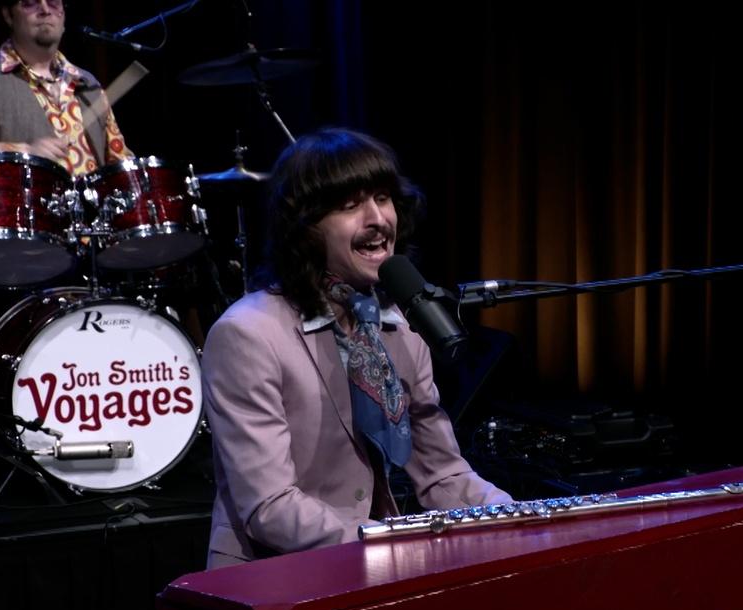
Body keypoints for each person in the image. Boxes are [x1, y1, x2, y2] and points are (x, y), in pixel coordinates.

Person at [202, 127, 512, 568]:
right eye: (350, 206)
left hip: (373, 567)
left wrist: (517, 518)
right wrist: (394, 549)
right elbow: (269, 507)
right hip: (272, 578)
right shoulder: (247, 334)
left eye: (383, 198)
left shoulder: (399, 327)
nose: (377, 219)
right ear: (306, 228)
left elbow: (442, 474)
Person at [0, 0, 130, 175]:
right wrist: (25, 152)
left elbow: (120, 158)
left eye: (54, 3)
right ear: (8, 15)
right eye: (30, 3)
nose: (45, 10)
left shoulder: (89, 84)